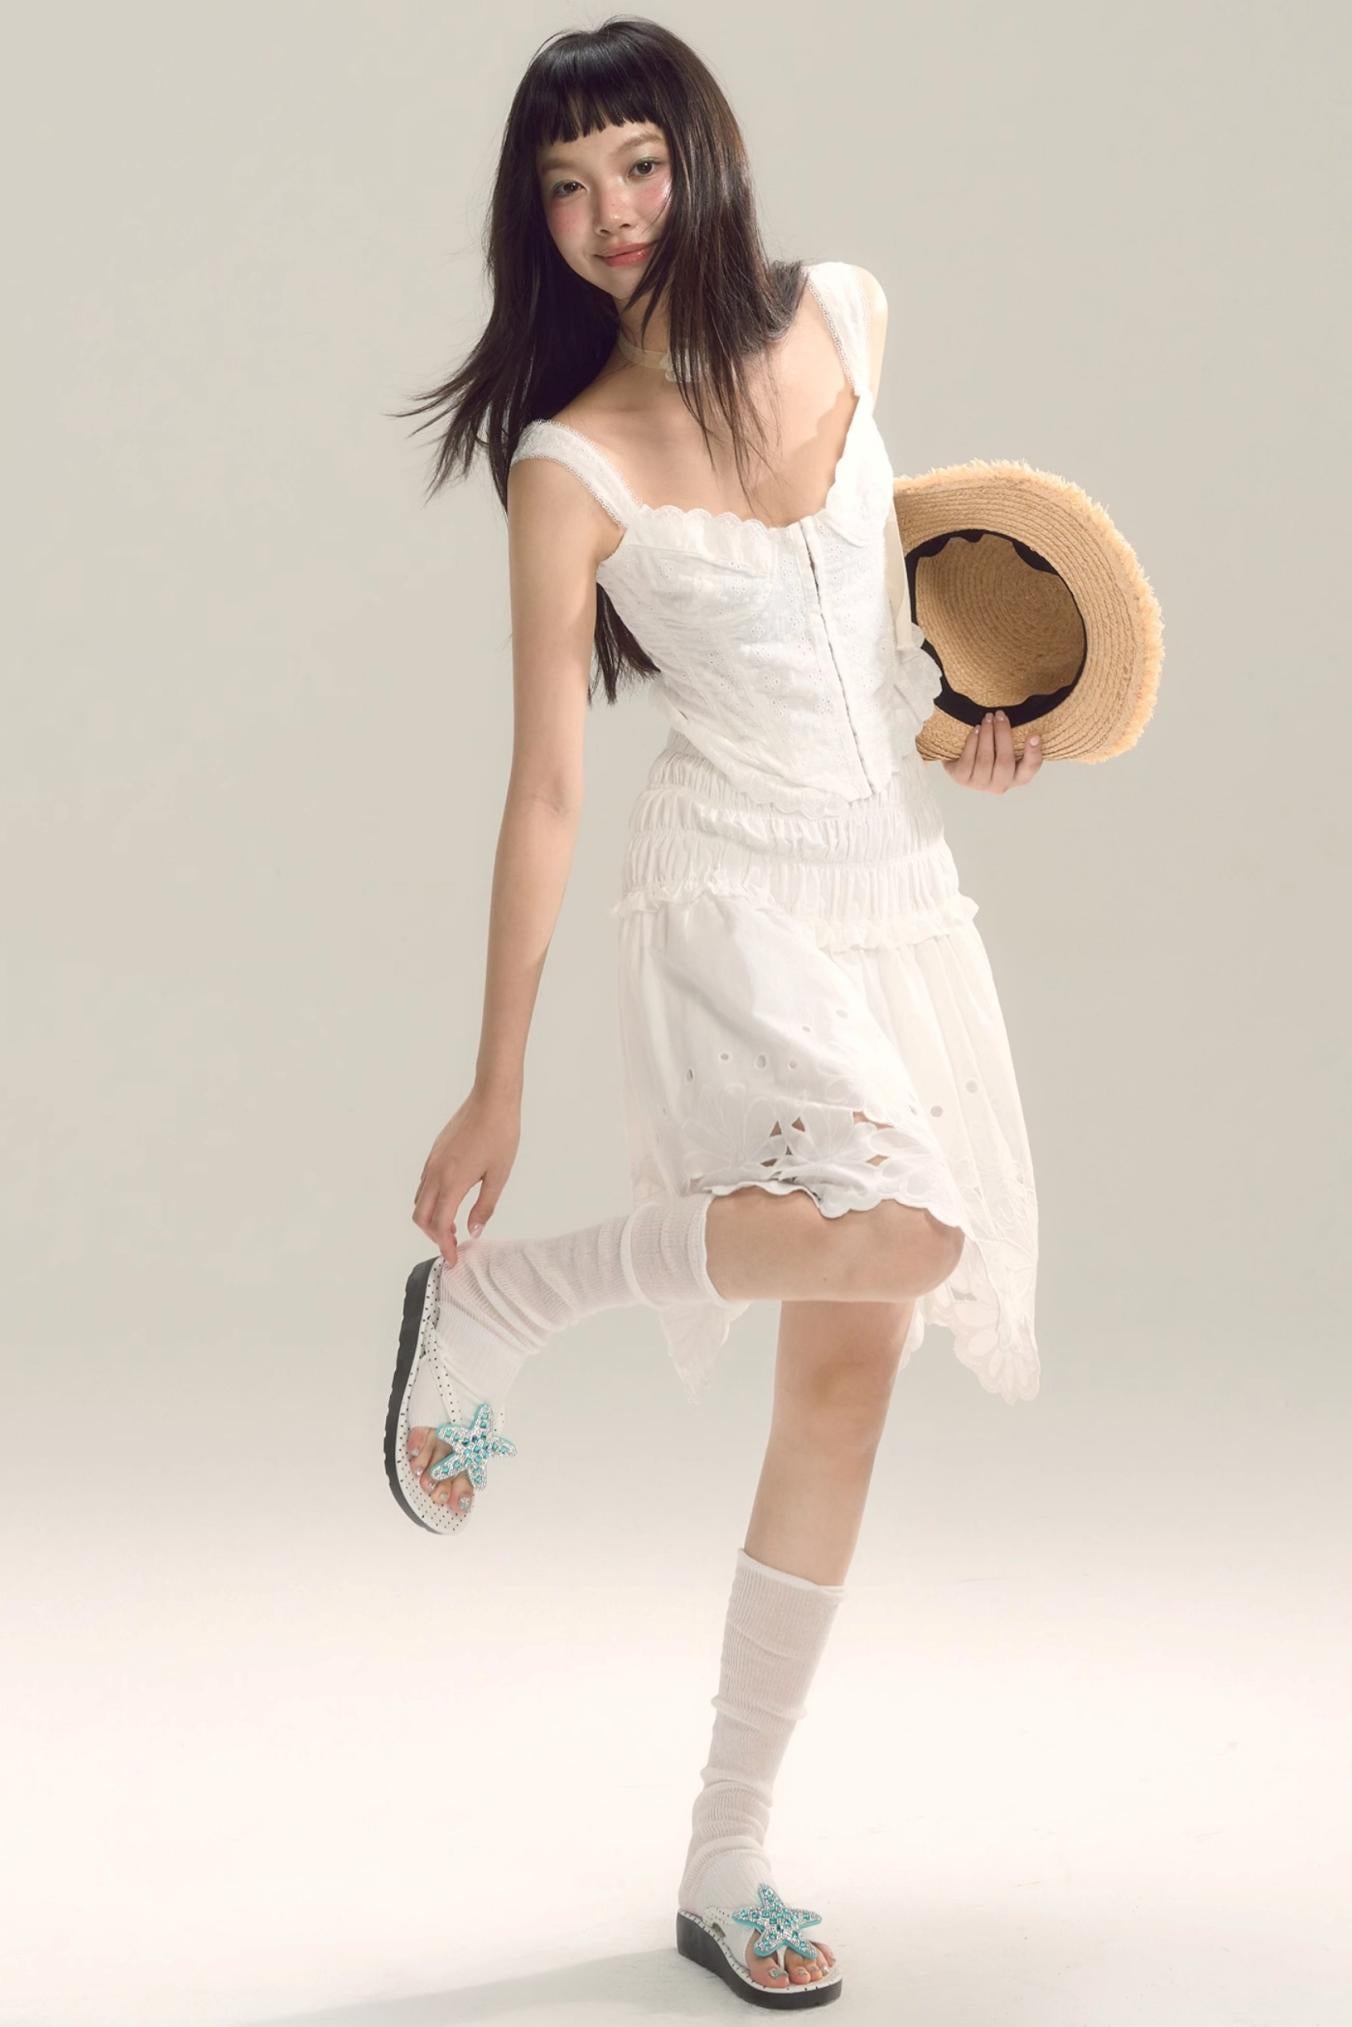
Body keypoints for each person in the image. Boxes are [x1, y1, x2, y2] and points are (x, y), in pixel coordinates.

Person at [387, 18, 1045, 2006]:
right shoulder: (566, 465)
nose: (607, 213)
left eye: (636, 165)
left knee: (850, 1372)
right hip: (733, 897)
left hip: (893, 892)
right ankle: (514, 1297)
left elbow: (879, 621)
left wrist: (965, 719)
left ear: (702, 154)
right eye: (564, 186)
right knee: (908, 1232)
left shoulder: (846, 313)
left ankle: (725, 1851)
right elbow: (545, 791)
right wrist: (495, 1083)